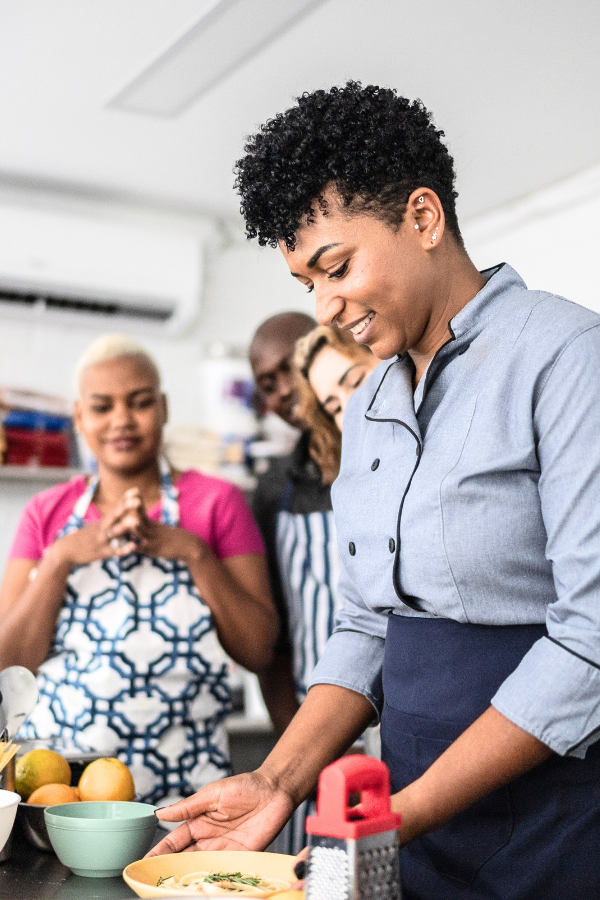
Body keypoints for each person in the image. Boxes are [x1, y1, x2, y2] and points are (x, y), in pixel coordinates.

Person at [150, 83, 600, 899]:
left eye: (337, 266)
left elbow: (590, 638)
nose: (325, 306)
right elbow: (367, 623)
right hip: (411, 821)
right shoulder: (370, 410)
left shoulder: (567, 358)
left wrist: (402, 812)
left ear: (423, 219)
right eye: (306, 284)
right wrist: (280, 779)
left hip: (556, 820)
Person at [0, 335, 276, 806]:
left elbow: (260, 650)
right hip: (63, 796)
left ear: (164, 408)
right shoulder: (46, 514)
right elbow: (10, 668)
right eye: (102, 407)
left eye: (140, 402)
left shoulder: (216, 503)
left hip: (190, 796)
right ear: (80, 418)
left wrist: (192, 552)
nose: (122, 420)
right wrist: (61, 559)